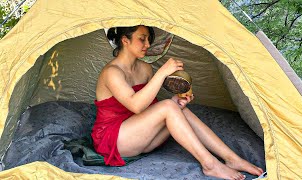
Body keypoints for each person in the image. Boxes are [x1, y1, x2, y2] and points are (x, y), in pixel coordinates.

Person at [91, 25, 263, 180]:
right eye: (142, 39)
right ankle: (210, 164)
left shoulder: (145, 68)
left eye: (149, 40)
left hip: (140, 138)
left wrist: (176, 102)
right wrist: (163, 73)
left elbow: (149, 108)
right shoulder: (112, 72)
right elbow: (136, 106)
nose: (147, 44)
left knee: (177, 108)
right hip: (114, 140)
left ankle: (232, 159)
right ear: (125, 40)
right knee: (167, 106)